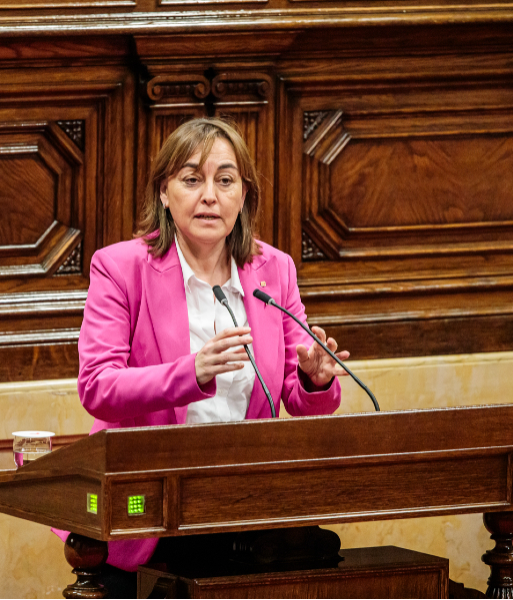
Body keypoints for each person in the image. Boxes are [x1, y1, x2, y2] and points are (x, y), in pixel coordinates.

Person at [54, 117, 350, 594]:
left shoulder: (274, 271)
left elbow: (295, 397)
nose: (209, 195)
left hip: (244, 516)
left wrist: (316, 380)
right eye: (192, 179)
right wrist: (190, 372)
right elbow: (98, 387)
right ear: (164, 193)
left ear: (243, 195)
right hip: (148, 517)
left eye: (225, 180)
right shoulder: (120, 268)